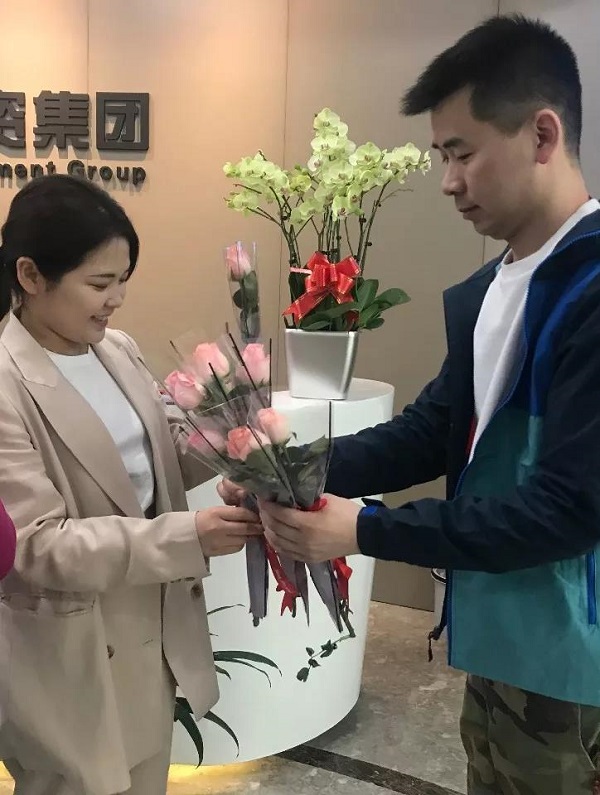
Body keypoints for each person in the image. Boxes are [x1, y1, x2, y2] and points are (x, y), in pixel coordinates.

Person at [221, 14, 600, 795]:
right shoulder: (500, 285)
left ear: (542, 134)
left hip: (572, 655)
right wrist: (289, 470)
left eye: (463, 153)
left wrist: (365, 529)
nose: (449, 181)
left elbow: (568, 509)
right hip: (503, 631)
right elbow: (432, 431)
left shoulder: (589, 292)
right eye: (440, 157)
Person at [0, 174, 262, 795]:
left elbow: (164, 457)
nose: (115, 299)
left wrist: (233, 440)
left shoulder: (114, 349)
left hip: (152, 628)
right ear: (31, 276)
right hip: (72, 648)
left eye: (123, 281)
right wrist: (189, 535)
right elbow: (35, 546)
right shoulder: (7, 383)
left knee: (146, 776)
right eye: (99, 284)